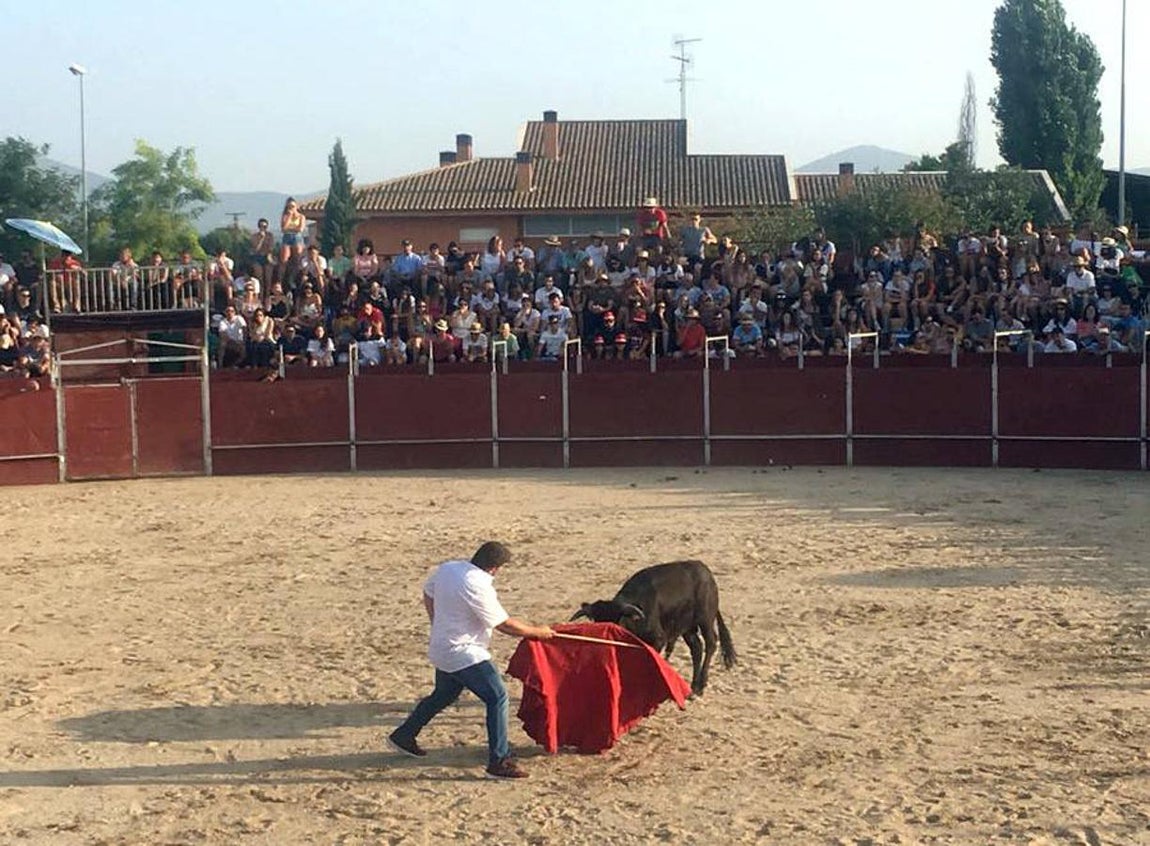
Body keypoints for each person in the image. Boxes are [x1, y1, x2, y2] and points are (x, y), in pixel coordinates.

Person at [388, 541, 554, 780]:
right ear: (495, 568)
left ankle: (404, 735)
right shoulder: (477, 585)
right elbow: (504, 625)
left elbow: (428, 592)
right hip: (464, 652)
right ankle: (499, 760)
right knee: (497, 697)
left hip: (442, 647)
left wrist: (438, 624)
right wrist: (538, 631)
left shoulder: (449, 568)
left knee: (444, 695)